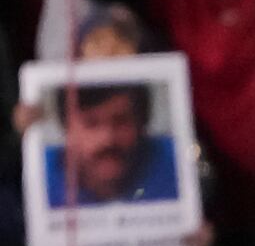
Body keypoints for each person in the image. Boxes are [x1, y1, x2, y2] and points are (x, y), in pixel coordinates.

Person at [44, 83, 179, 205]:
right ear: (67, 129)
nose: (108, 139)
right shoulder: (41, 174)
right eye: (91, 123)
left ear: (142, 124)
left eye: (121, 121)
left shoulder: (177, 162)